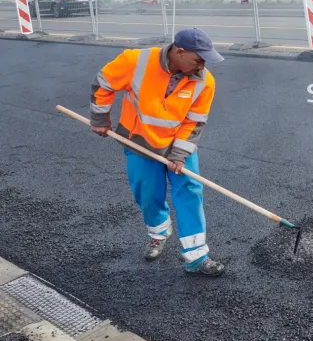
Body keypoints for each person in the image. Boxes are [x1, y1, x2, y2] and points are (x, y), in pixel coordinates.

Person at [89, 28, 226, 277]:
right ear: (180, 52)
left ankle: (196, 257)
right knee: (149, 194)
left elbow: (194, 122)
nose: (202, 66)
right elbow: (103, 82)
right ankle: (158, 234)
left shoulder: (204, 81)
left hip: (178, 145)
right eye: (198, 59)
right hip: (140, 142)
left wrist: (178, 154)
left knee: (190, 192)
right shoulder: (135, 61)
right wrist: (100, 117)